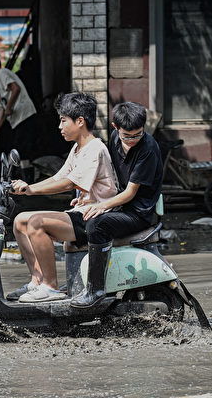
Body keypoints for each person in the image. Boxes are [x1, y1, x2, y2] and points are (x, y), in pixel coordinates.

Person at [8, 92, 118, 303]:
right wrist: (27, 187)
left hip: (95, 218)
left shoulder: (95, 148)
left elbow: (70, 183)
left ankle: (50, 286)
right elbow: (60, 176)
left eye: (63, 120)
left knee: (36, 223)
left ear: (80, 121)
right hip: (82, 212)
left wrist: (31, 191)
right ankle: (37, 281)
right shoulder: (77, 148)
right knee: (20, 220)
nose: (60, 126)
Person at [70, 101, 163, 308]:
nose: (132, 140)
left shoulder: (147, 148)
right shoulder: (113, 139)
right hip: (118, 205)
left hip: (138, 213)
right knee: (75, 219)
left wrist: (102, 206)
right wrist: (86, 195)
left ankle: (95, 290)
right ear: (115, 127)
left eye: (138, 134)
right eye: (127, 136)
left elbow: (130, 193)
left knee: (97, 224)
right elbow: (105, 174)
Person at [0, 54, 38, 175]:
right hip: (18, 120)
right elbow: (2, 110)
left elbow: (16, 88)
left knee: (20, 150)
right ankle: (24, 179)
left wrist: (8, 108)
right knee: (18, 149)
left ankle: (27, 181)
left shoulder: (3, 73)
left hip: (25, 115)